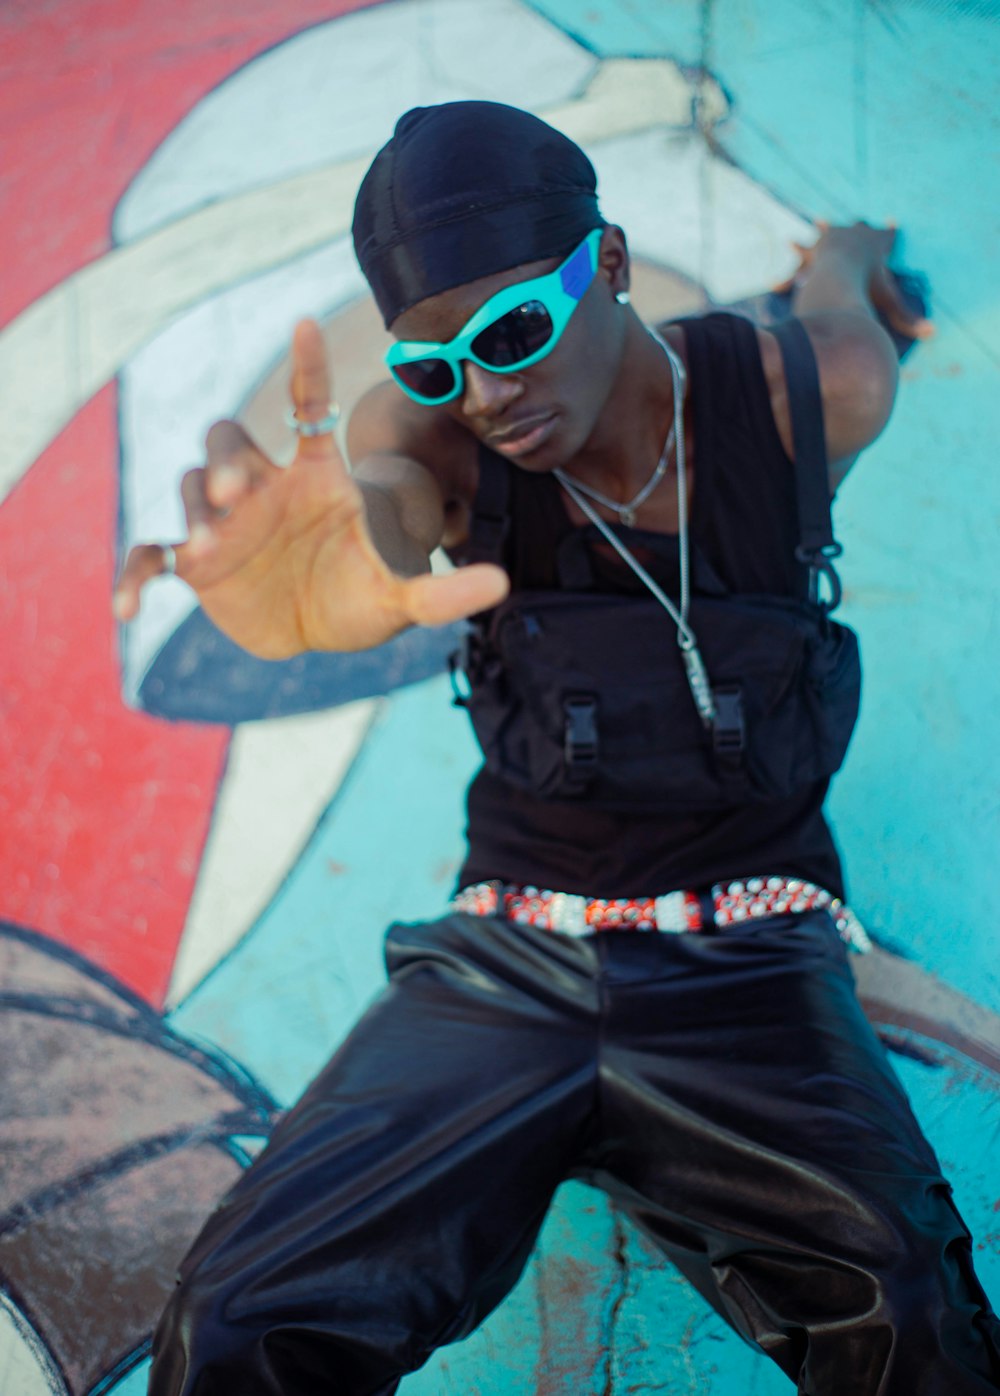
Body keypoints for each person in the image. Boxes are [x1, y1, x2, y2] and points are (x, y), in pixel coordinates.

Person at [115, 102, 1000, 1395]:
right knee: (244, 1316)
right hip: (505, 967)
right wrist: (352, 564)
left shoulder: (818, 390)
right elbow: (396, 512)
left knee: (913, 1317)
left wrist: (849, 251)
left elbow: (838, 289)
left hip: (750, 958)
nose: (483, 392)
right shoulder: (427, 441)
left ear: (618, 262)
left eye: (516, 331)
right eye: (434, 365)